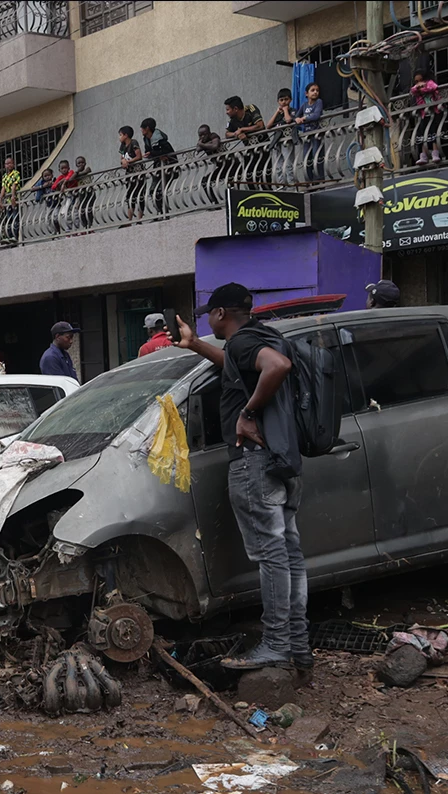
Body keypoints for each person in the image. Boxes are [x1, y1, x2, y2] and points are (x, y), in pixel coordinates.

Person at [175, 284, 309, 672]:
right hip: (282, 457)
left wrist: (247, 413)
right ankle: (296, 645)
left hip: (255, 462)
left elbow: (276, 368)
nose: (208, 321)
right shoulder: (264, 336)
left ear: (220, 313)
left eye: (208, 316)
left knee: (271, 556)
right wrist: (197, 345)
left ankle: (276, 644)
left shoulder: (245, 343)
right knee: (288, 554)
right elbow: (241, 364)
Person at [224, 95, 267, 183]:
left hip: (263, 146)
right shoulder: (233, 120)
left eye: (228, 109)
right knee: (249, 177)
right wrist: (236, 134)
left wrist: (243, 130)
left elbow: (260, 125)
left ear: (235, 109)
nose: (226, 112)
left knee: (265, 175)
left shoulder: (251, 109)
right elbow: (227, 134)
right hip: (249, 149)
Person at [142, 117, 176, 215]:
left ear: (147, 128)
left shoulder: (159, 138)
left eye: (142, 128)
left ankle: (165, 212)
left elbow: (167, 151)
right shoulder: (146, 139)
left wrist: (155, 154)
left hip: (168, 167)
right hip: (158, 166)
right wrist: (152, 154)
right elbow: (150, 152)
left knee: (160, 190)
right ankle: (159, 212)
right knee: (153, 191)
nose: (141, 130)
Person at [410, 71, 443, 165]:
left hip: (434, 112)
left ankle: (435, 154)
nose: (419, 83)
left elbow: (433, 87)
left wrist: (423, 87)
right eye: (416, 81)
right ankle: (423, 156)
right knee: (423, 134)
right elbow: (412, 91)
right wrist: (418, 87)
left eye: (421, 80)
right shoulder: (417, 88)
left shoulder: (430, 83)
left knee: (433, 133)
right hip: (424, 114)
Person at [266, 89, 298, 182]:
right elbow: (268, 126)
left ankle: (291, 184)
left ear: (290, 100)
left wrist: (285, 110)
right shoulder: (278, 114)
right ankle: (282, 185)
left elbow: (288, 120)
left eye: (286, 99)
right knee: (279, 166)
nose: (284, 102)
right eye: (281, 100)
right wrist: (277, 112)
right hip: (277, 142)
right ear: (278, 101)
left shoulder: (292, 111)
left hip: (287, 141)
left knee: (288, 164)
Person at [296, 82, 325, 182]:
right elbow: (296, 116)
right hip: (306, 135)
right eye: (312, 90)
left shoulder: (319, 102)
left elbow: (316, 115)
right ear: (306, 94)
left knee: (317, 157)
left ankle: (319, 181)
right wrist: (296, 119)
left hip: (316, 134)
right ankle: (309, 181)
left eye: (317, 90)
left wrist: (304, 118)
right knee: (306, 159)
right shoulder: (304, 105)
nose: (315, 92)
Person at [118, 125, 146, 223]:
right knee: (130, 196)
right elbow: (121, 158)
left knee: (140, 194)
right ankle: (130, 220)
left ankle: (139, 219)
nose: (119, 137)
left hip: (138, 173)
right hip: (129, 174)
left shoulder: (134, 142)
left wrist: (128, 162)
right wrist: (123, 161)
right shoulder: (122, 145)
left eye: (120, 135)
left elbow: (139, 156)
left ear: (126, 135)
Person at [197, 124, 226, 203]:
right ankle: (214, 202)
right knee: (205, 182)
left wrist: (202, 145)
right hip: (221, 167)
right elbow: (198, 149)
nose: (202, 137)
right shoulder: (203, 141)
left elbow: (215, 145)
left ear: (208, 133)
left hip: (230, 164)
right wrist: (203, 144)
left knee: (232, 182)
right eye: (200, 135)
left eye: (204, 134)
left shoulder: (213, 135)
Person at [0, 156, 22, 244]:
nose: (8, 165)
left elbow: (14, 185)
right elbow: (3, 188)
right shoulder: (5, 176)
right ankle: (9, 236)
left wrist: (13, 196)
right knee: (9, 219)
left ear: (13, 164)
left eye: (10, 163)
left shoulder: (16, 173)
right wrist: (0, 200)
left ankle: (15, 236)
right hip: (8, 202)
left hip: (15, 200)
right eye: (6, 164)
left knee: (15, 218)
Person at [70, 157, 96, 231]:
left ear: (85, 163)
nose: (81, 164)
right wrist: (77, 172)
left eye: (82, 162)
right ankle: (85, 226)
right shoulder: (76, 173)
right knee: (82, 210)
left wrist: (77, 173)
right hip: (81, 193)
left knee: (89, 209)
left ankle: (90, 226)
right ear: (76, 165)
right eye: (79, 163)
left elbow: (86, 172)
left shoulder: (87, 169)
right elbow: (71, 179)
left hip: (90, 192)